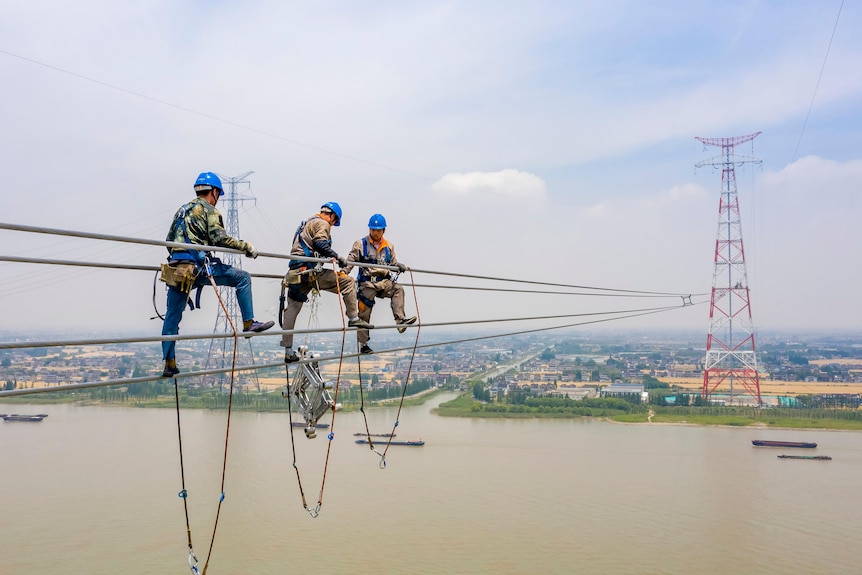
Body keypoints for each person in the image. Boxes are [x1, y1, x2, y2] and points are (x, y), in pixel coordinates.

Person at [161, 172, 274, 377]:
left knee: (171, 318)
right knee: (243, 278)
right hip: (197, 267)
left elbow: (169, 240)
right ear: (214, 192)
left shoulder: (181, 211)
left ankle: (169, 363)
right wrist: (245, 247)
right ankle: (248, 323)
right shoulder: (209, 210)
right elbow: (219, 238)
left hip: (176, 269)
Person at [281, 202, 374, 363]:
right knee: (348, 282)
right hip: (310, 271)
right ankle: (353, 318)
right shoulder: (322, 223)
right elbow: (320, 243)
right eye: (334, 221)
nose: (332, 224)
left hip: (296, 273)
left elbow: (311, 246)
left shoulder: (306, 223)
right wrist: (338, 257)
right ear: (331, 216)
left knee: (292, 309)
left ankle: (288, 351)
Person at [343, 213, 416, 354]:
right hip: (368, 283)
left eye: (377, 230)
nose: (374, 232)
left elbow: (392, 263)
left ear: (383, 230)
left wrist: (398, 265)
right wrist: (343, 272)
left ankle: (400, 322)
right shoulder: (361, 244)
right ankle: (363, 345)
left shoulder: (388, 246)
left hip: (384, 282)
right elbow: (351, 259)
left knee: (398, 290)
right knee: (364, 314)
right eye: (372, 229)